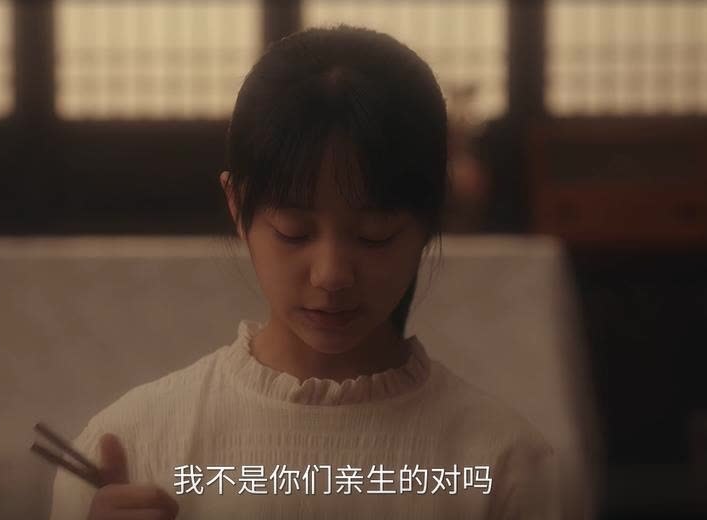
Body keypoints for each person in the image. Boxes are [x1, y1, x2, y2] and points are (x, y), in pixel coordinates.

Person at [49, 24, 560, 520]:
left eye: (375, 235)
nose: (331, 275)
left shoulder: (503, 466)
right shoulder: (132, 450)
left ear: (430, 220)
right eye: (294, 232)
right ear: (237, 204)